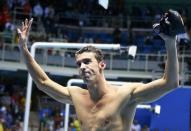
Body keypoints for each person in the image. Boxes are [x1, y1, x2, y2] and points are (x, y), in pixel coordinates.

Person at [17, 9, 181, 131]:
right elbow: (43, 82)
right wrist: (24, 49)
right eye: (79, 64)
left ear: (102, 65)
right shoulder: (76, 95)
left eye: (87, 61)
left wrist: (170, 42)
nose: (82, 67)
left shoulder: (126, 95)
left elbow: (170, 83)